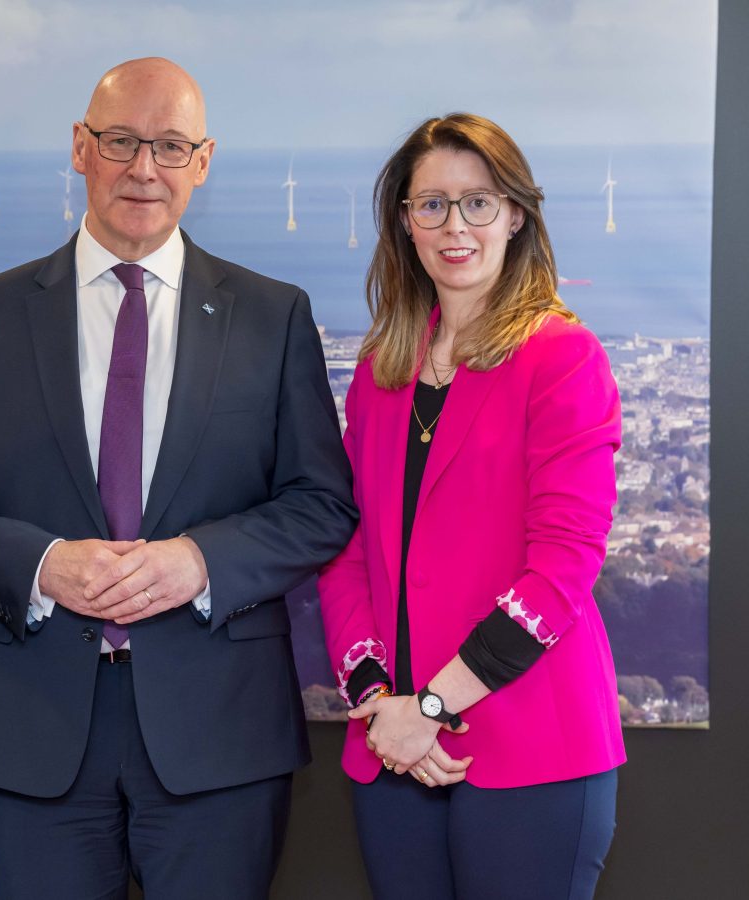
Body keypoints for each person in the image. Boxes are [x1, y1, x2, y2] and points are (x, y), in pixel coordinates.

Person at [0, 57, 358, 899]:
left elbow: (322, 505)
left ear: (203, 161)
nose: (145, 168)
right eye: (121, 141)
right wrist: (43, 566)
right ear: (81, 148)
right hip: (38, 728)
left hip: (221, 733)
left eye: (170, 146)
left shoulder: (272, 314)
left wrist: (199, 562)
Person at [318, 113, 624, 899]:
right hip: (392, 751)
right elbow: (346, 552)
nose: (455, 226)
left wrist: (429, 705)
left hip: (531, 748)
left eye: (478, 202)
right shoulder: (383, 370)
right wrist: (380, 703)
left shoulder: (562, 358)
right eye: (432, 205)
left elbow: (563, 567)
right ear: (404, 224)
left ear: (516, 214)